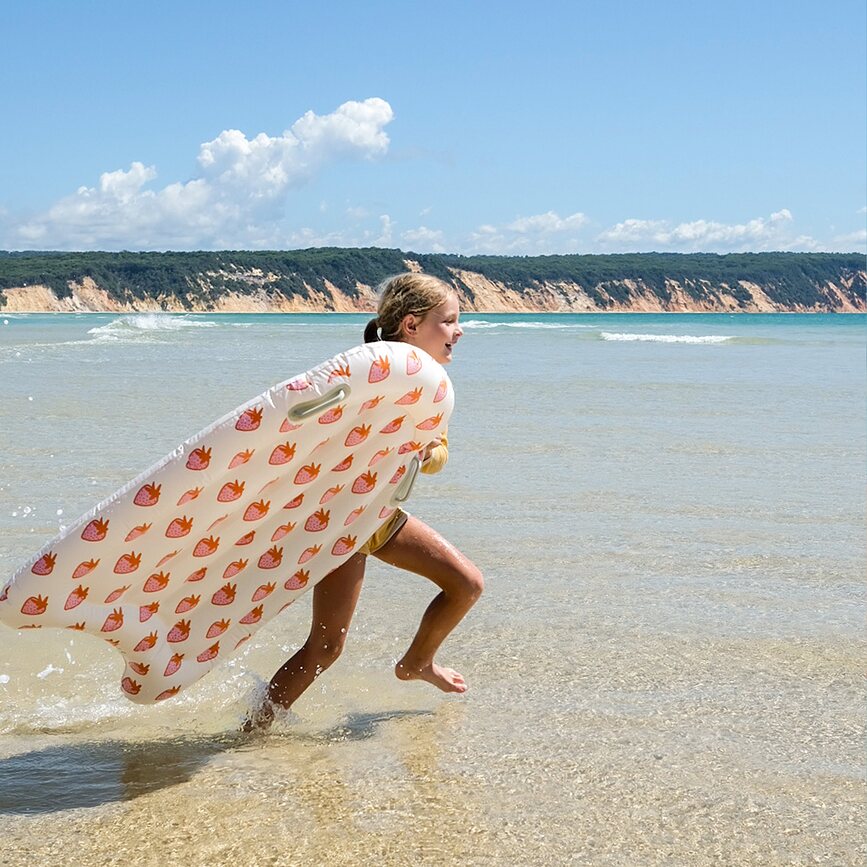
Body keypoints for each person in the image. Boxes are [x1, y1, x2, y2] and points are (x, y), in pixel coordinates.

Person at [245, 273, 483, 729]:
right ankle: (253, 730)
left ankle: (417, 663)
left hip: (380, 515)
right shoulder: (368, 376)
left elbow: (439, 455)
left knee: (467, 584)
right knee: (326, 648)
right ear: (411, 325)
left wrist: (426, 451)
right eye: (450, 321)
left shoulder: (433, 389)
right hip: (339, 519)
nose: (459, 331)